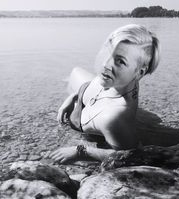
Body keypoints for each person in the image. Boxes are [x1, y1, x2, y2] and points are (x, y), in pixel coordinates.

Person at [49, 24, 160, 163]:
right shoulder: (122, 79)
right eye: (108, 53)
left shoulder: (113, 118)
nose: (105, 64)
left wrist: (80, 151)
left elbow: (129, 156)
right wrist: (72, 98)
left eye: (120, 61)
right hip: (92, 91)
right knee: (75, 71)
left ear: (140, 72)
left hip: (91, 115)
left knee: (74, 76)